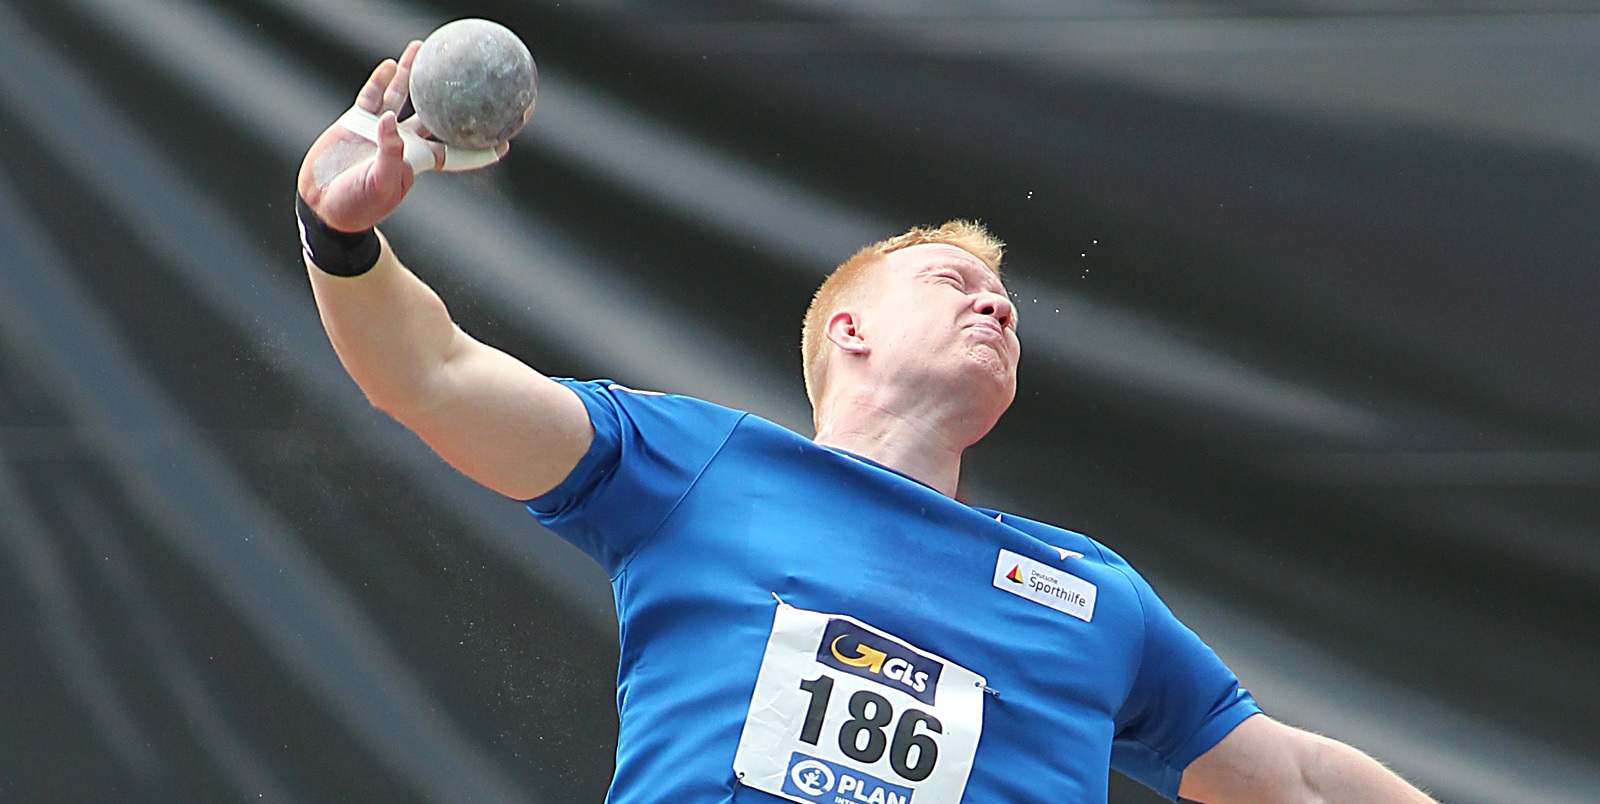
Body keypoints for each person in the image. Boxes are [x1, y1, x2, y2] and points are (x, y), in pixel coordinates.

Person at [296, 43, 1439, 804]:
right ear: (846, 331)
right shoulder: (693, 469)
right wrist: (338, 240)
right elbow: (432, 375)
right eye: (949, 284)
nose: (994, 301)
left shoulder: (1093, 596)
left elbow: (1300, 778)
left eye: (1000, 301)